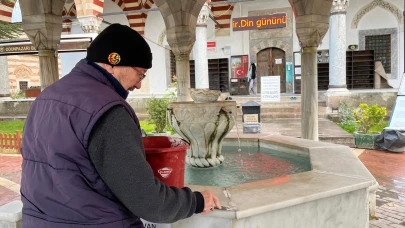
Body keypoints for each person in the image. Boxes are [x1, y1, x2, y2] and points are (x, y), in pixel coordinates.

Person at [20, 24, 221, 228]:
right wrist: (196, 201)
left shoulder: (46, 98)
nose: (139, 84)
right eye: (140, 74)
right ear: (114, 62)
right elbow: (149, 203)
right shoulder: (107, 110)